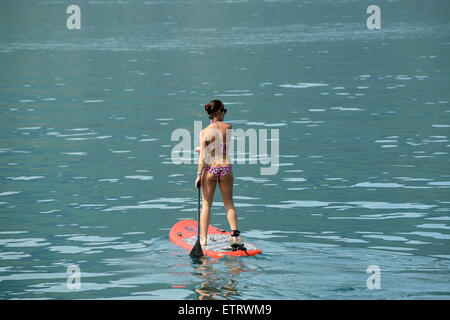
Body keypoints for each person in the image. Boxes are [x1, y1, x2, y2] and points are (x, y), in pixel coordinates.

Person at [194, 100, 242, 248]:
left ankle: (203, 239)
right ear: (219, 112)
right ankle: (234, 237)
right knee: (229, 204)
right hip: (226, 169)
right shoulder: (228, 127)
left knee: (206, 205)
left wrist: (198, 175)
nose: (225, 114)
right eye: (224, 111)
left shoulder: (203, 132)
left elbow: (204, 155)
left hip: (210, 170)